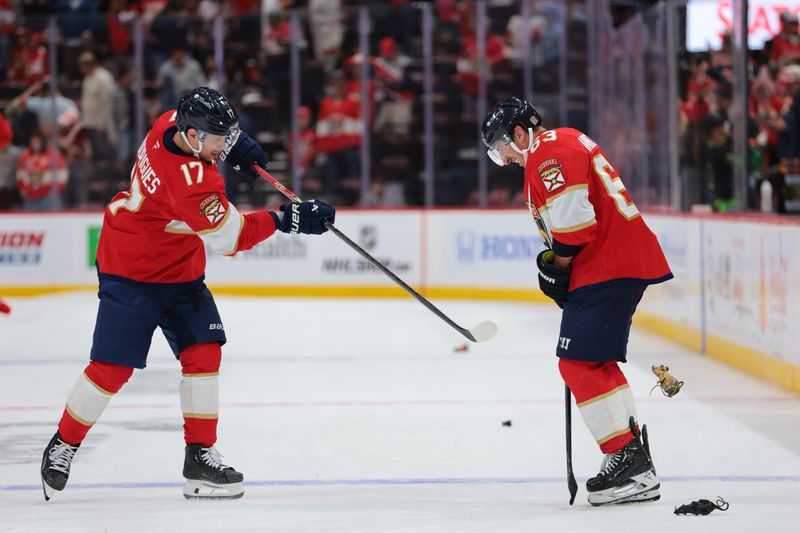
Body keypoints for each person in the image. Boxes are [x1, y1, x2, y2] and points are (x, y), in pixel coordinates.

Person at [40, 87, 336, 501]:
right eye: (219, 139)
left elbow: (209, 146)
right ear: (194, 136)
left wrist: (237, 145)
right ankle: (64, 444)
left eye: (228, 136)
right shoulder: (191, 184)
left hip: (180, 272)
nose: (223, 146)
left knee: (204, 352)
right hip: (132, 271)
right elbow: (231, 238)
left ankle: (199, 456)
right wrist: (287, 219)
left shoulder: (168, 123)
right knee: (112, 368)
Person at [481, 97, 672, 506]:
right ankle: (630, 453)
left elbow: (574, 225)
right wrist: (561, 268)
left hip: (607, 265)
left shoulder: (547, 152)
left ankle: (629, 462)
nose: (503, 158)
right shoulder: (558, 145)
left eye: (501, 147)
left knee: (577, 363)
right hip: (610, 264)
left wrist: (559, 267)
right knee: (594, 362)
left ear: (520, 133)